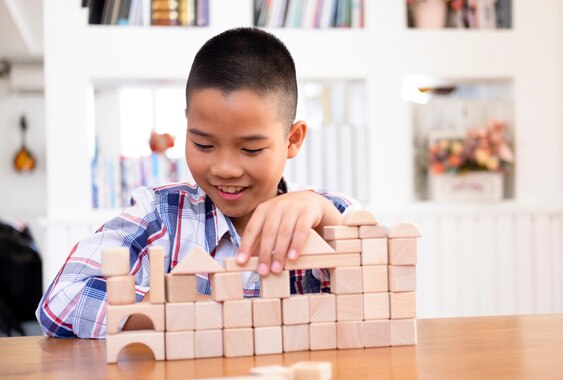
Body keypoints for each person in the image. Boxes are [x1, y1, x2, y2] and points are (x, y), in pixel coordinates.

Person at [36, 27, 357, 339]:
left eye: (251, 149)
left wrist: (325, 217)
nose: (225, 168)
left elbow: (378, 299)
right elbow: (60, 300)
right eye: (204, 145)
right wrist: (170, 314)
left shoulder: (332, 213)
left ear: (293, 139)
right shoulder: (158, 215)